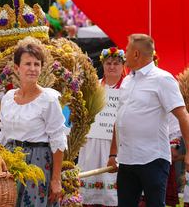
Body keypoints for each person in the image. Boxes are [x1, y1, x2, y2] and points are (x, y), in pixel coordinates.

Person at [107, 33, 189, 207]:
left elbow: (183, 116)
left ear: (136, 54)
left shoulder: (163, 79)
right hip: (127, 160)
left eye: (127, 50)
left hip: (153, 159)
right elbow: (120, 119)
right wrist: (113, 154)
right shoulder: (128, 80)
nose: (124, 54)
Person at [0, 36, 67, 207]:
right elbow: (3, 135)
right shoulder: (8, 98)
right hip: (10, 163)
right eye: (28, 64)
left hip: (37, 164)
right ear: (17, 68)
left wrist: (56, 180)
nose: (32, 69)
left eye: (37, 64)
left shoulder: (48, 99)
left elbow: (58, 140)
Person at [78, 47, 126, 207]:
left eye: (116, 63)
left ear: (123, 66)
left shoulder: (127, 88)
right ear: (103, 65)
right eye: (108, 63)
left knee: (111, 183)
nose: (112, 67)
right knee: (90, 173)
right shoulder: (94, 87)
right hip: (93, 139)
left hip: (115, 142)